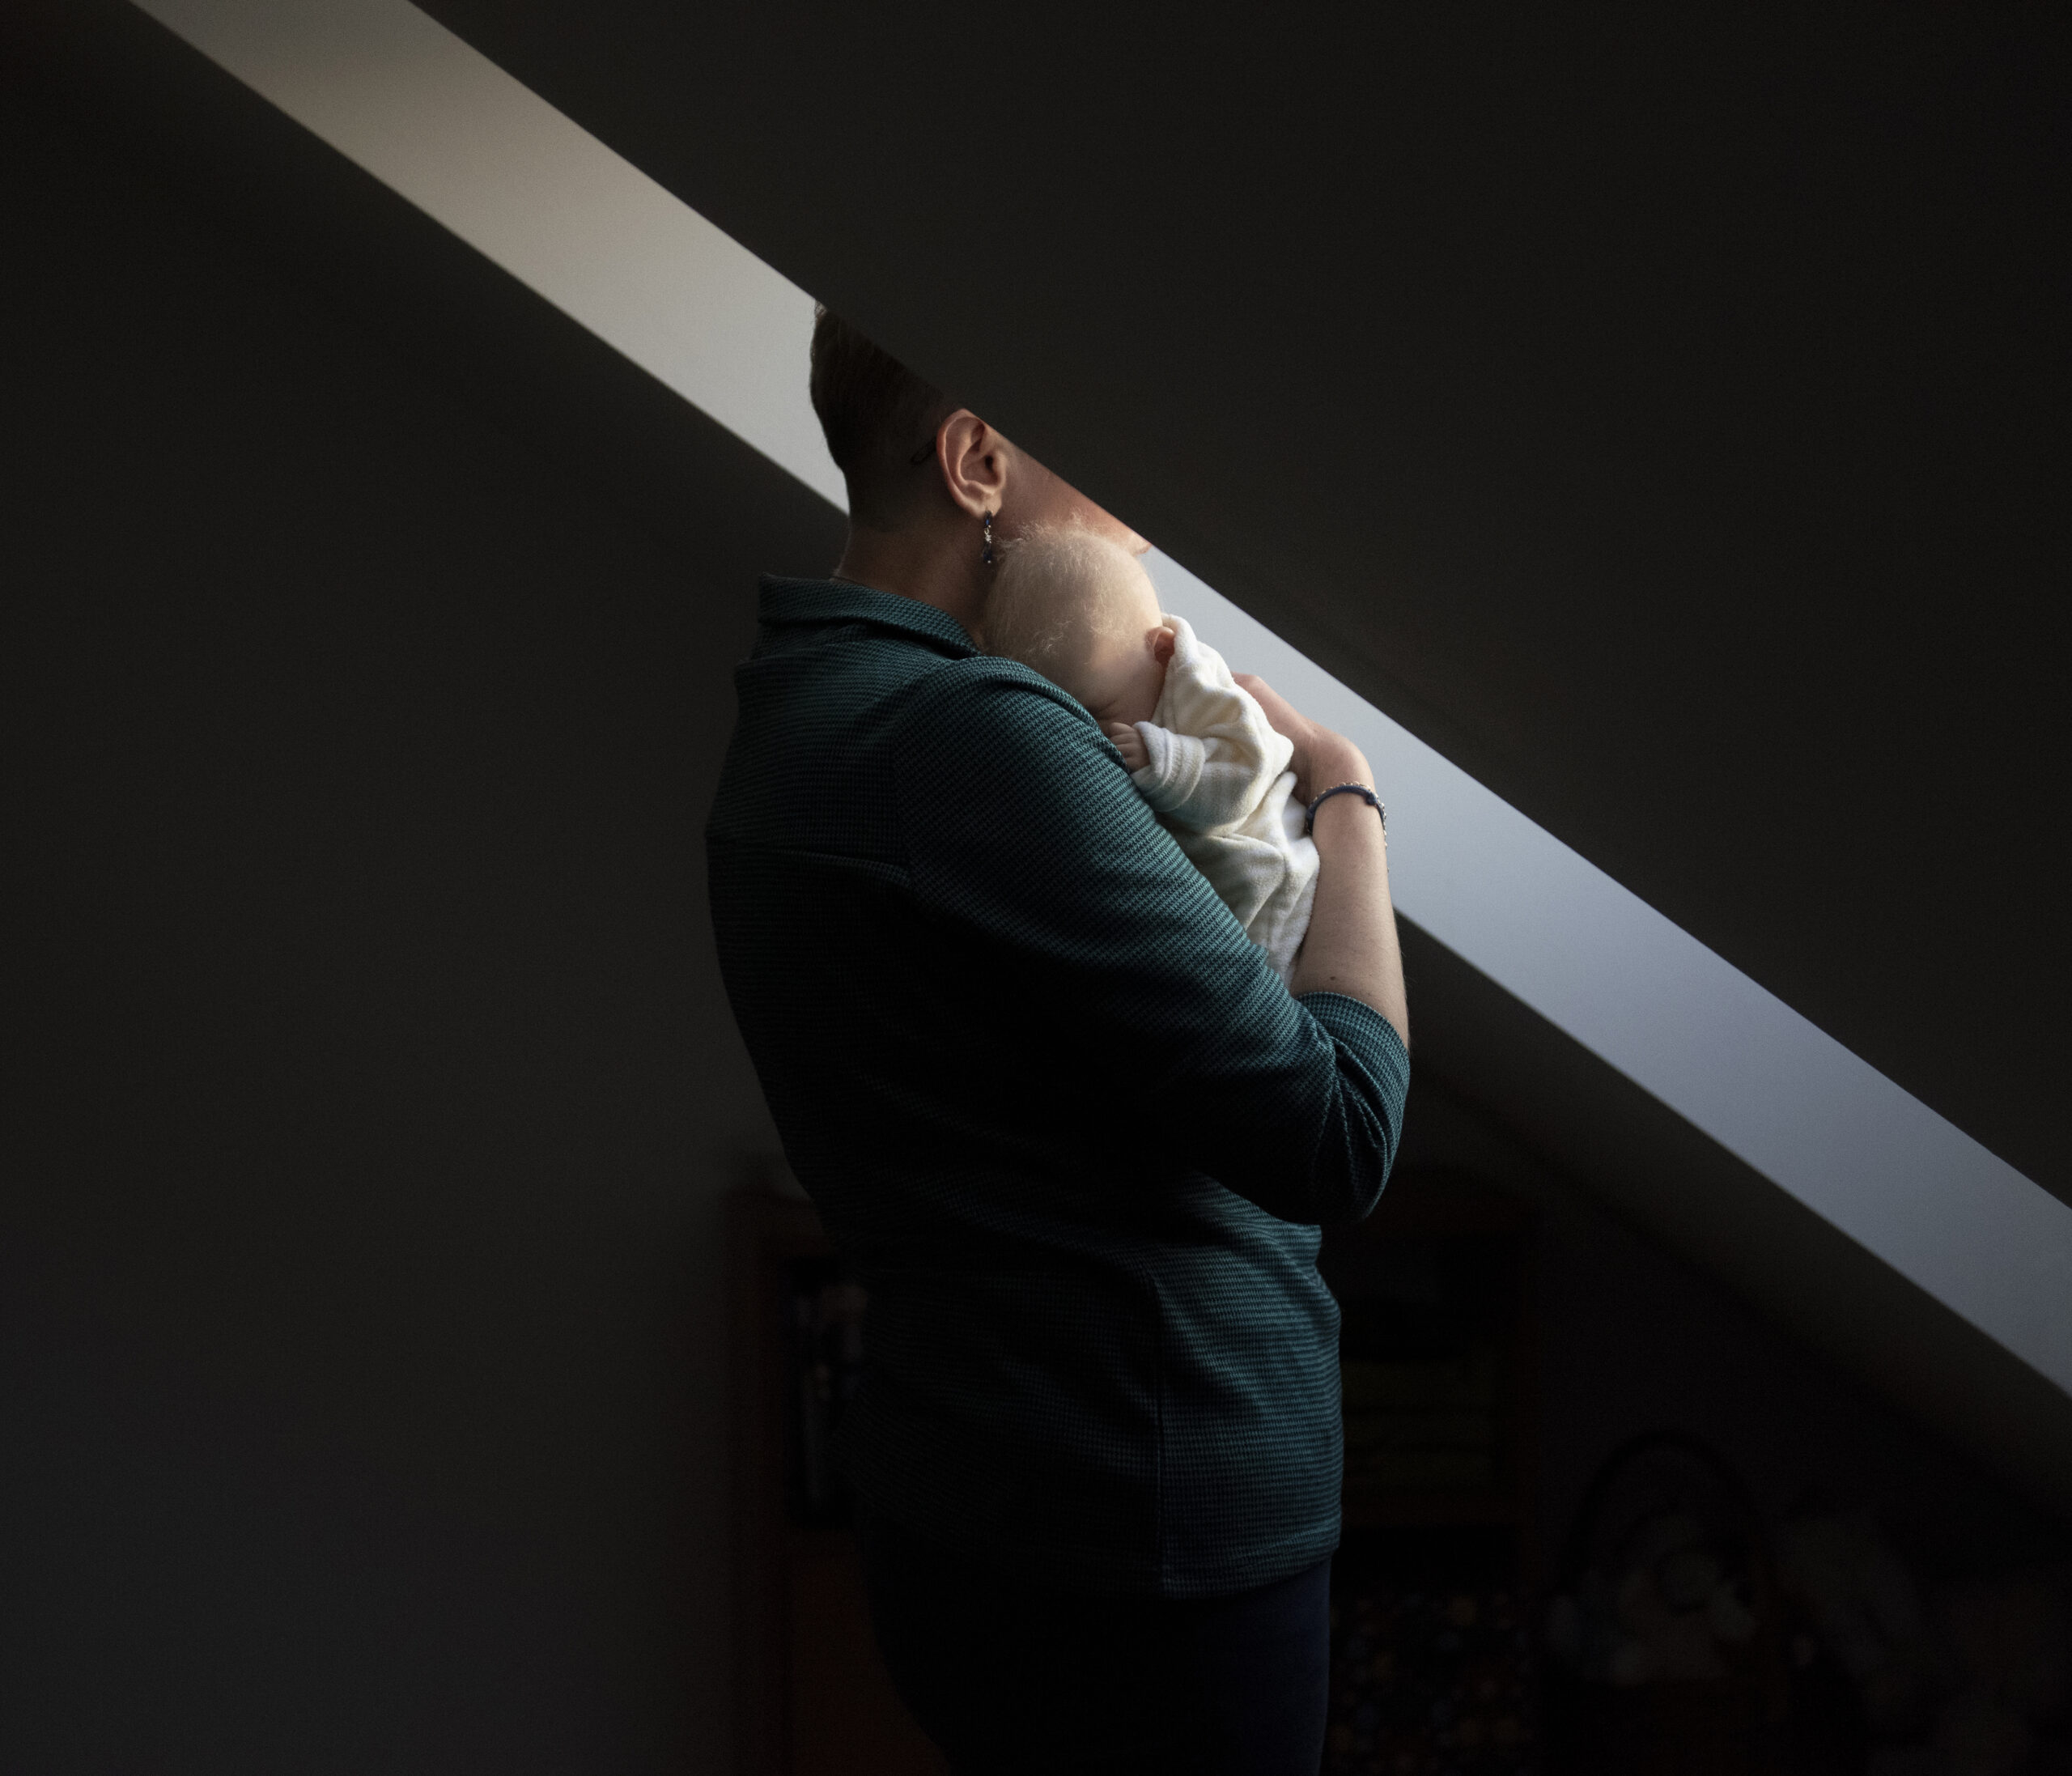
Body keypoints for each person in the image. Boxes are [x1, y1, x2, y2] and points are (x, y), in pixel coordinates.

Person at [705, 307, 1411, 1775]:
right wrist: (1348, 799)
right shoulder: (975, 740)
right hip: (1151, 1535)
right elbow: (1342, 1126)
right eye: (1101, 462)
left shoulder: (792, 716)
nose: (1139, 522)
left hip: (962, 1511)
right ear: (976, 462)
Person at [980, 522, 1320, 986]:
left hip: (1275, 874)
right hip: (1204, 904)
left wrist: (1171, 760)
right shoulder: (1120, 677)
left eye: (1103, 711)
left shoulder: (1202, 689)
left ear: (1161, 653)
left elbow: (1248, 770)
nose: (1097, 734)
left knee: (1272, 979)